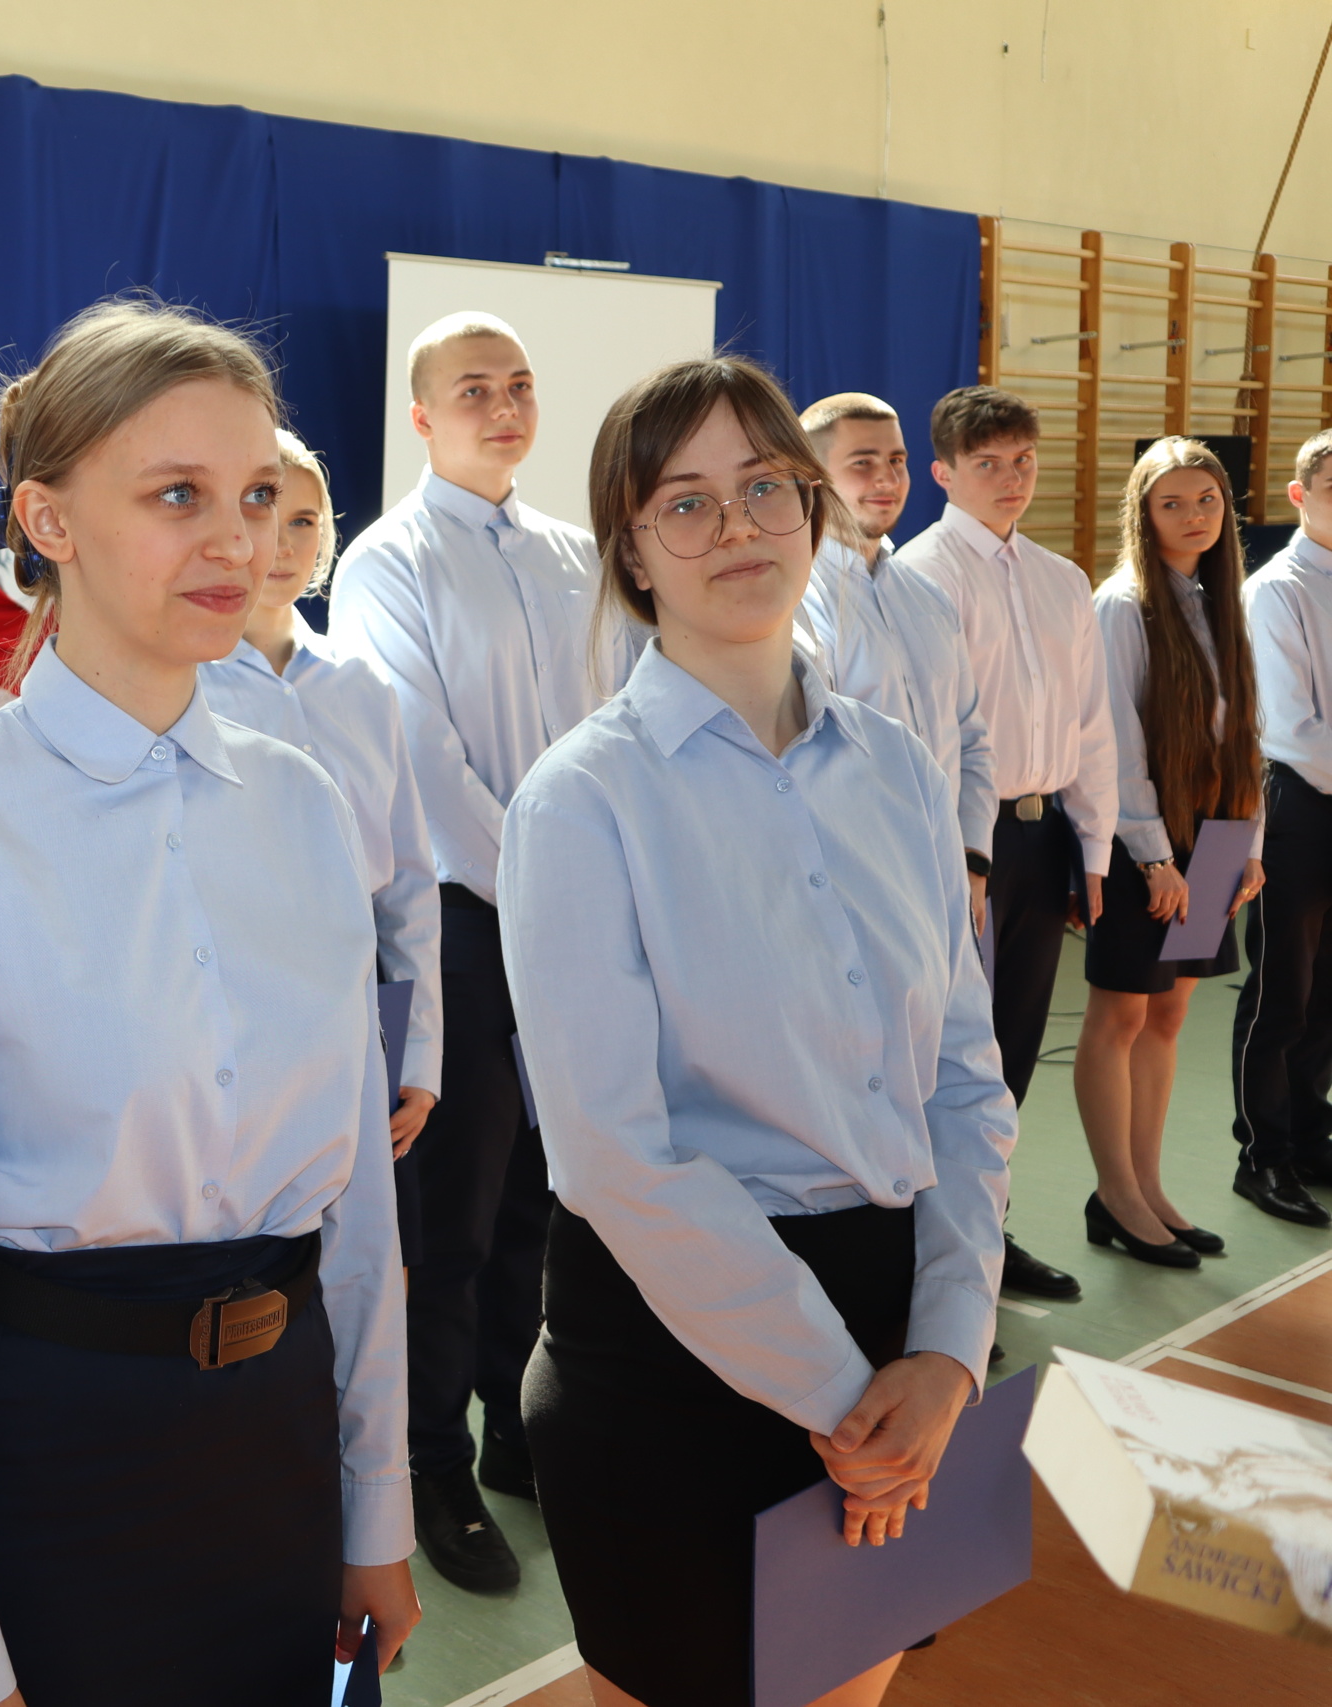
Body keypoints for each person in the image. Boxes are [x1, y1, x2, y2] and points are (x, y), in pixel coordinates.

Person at [0, 298, 416, 1707]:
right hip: (54, 1454)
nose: (237, 541)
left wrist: (374, 1504)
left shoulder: (306, 805)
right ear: (50, 519)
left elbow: (358, 1207)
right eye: (176, 496)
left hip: (276, 1442)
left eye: (258, 495)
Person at [502, 355, 1015, 1707]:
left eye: (762, 489)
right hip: (673, 1351)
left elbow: (965, 1077)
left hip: (903, 1327)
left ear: (812, 510)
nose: (734, 527)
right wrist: (850, 1392)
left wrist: (950, 1349)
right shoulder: (580, 802)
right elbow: (616, 1154)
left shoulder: (898, 767)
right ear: (632, 549)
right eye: (686, 501)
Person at [326, 310, 621, 1593]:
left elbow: (617, 726)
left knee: (549, 1192)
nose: (500, 406)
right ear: (421, 416)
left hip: (577, 916)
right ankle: (426, 1459)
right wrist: (550, 888)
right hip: (463, 919)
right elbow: (422, 765)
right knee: (445, 1211)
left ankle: (515, 1423)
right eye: (471, 389)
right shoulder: (386, 561)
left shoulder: (575, 553)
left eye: (517, 385)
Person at [896, 384, 1116, 1304]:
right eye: (987, 463)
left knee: (1013, 1048)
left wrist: (1095, 852)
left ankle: (988, 1232)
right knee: (949, 1054)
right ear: (944, 471)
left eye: (1023, 459)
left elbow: (1092, 727)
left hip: (1042, 835)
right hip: (963, 849)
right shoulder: (921, 577)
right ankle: (927, 1258)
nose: (1010, 478)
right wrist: (961, 857)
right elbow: (930, 734)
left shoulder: (1063, 579)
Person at [198, 429, 443, 1211]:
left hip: (363, 992)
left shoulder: (363, 685)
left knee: (381, 1249)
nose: (283, 541)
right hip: (231, 995)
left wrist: (420, 1053)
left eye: (306, 520)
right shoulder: (181, 688)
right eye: (265, 510)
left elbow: (406, 883)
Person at [1076, 439, 1263, 1264]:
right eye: (1172, 503)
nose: (1193, 517)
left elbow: (1245, 729)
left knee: (1171, 1012)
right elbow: (1114, 742)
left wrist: (1246, 843)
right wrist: (1155, 858)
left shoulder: (1223, 599)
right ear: (1142, 513)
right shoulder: (1122, 604)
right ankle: (1114, 1192)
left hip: (1218, 835)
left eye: (1207, 502)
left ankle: (1148, 1188)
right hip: (1145, 840)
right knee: (1120, 1013)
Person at [795, 393, 995, 927]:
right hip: (855, 888)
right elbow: (804, 765)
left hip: (948, 876)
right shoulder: (798, 603)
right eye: (863, 463)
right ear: (813, 475)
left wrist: (973, 859)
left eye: (897, 461)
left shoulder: (928, 598)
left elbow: (971, 740)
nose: (887, 478)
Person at [1232, 426, 1332, 1227]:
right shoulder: (1277, 588)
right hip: (1294, 803)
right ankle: (1260, 1154)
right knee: (1281, 992)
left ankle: (1305, 1129)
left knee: (1327, 987)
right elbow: (1292, 728)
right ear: (1299, 495)